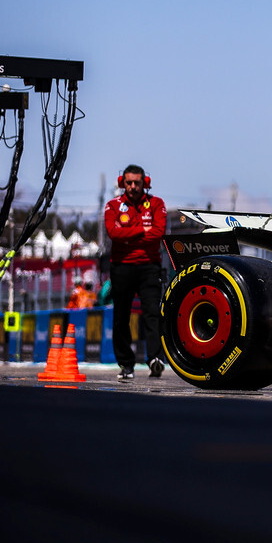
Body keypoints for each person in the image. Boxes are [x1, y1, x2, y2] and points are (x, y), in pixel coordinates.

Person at [104, 164, 166, 382]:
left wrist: (128, 235)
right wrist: (142, 231)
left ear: (144, 183)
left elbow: (158, 233)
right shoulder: (112, 206)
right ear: (123, 183)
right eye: (128, 183)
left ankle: (155, 360)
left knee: (152, 314)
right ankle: (126, 364)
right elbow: (113, 233)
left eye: (136, 183)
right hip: (121, 267)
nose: (132, 187)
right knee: (121, 316)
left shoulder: (157, 204)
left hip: (150, 267)